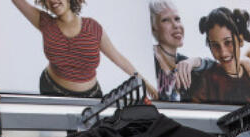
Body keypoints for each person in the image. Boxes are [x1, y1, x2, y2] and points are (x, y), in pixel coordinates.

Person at [10, 0, 154, 99]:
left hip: (91, 97)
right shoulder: (45, 22)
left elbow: (118, 58)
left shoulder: (92, 27)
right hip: (52, 90)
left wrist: (145, 84)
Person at [186, 6, 250, 104]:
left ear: (241, 40)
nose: (223, 52)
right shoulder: (207, 80)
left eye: (228, 42)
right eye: (215, 45)